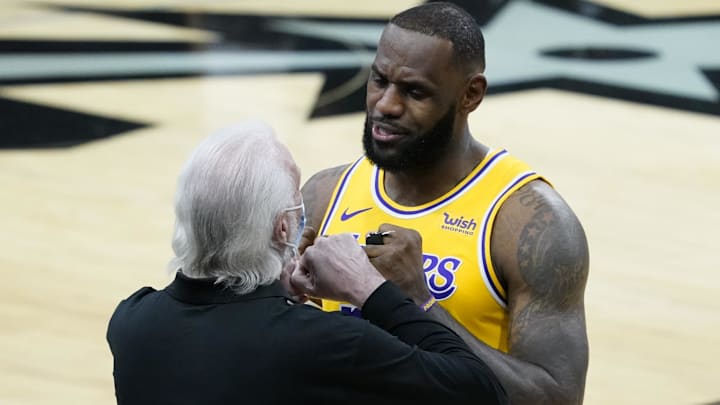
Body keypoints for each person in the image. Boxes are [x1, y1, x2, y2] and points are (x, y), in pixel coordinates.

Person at [300, 3, 590, 405]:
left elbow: (557, 397)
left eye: (414, 91)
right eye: (379, 80)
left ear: (471, 94)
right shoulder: (323, 195)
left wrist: (417, 302)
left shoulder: (527, 222)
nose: (386, 105)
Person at [106, 121, 508, 405]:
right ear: (283, 228)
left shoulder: (130, 323)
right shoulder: (324, 343)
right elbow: (478, 390)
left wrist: (274, 295)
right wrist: (373, 290)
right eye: (298, 208)